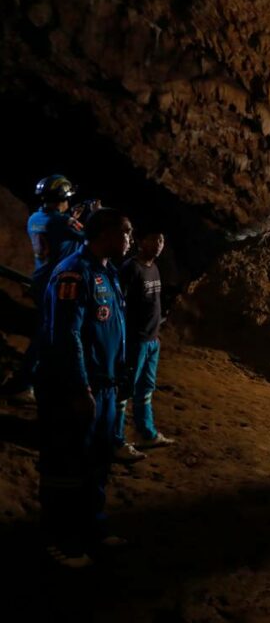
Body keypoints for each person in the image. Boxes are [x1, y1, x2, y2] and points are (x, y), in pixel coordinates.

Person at [36, 208, 132, 568]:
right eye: (126, 231)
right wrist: (79, 387)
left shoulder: (107, 272)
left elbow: (110, 330)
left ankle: (92, 527)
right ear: (105, 233)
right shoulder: (74, 273)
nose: (129, 239)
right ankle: (58, 538)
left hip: (103, 386)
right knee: (65, 464)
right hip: (74, 388)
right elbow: (66, 334)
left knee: (96, 462)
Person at [6, 175, 88, 404]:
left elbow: (58, 230)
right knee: (55, 336)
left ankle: (28, 381)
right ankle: (26, 383)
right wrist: (88, 215)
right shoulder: (63, 223)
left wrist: (70, 219)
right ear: (62, 199)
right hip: (57, 285)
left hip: (41, 281)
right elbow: (89, 237)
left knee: (47, 333)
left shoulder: (35, 218)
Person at [113, 228, 174, 464]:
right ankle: (115, 440)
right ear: (140, 241)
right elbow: (120, 305)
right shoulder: (131, 269)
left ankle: (146, 433)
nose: (159, 244)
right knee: (124, 390)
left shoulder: (154, 268)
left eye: (161, 239)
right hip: (135, 340)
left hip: (151, 341)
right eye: (154, 238)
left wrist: (156, 333)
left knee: (146, 389)